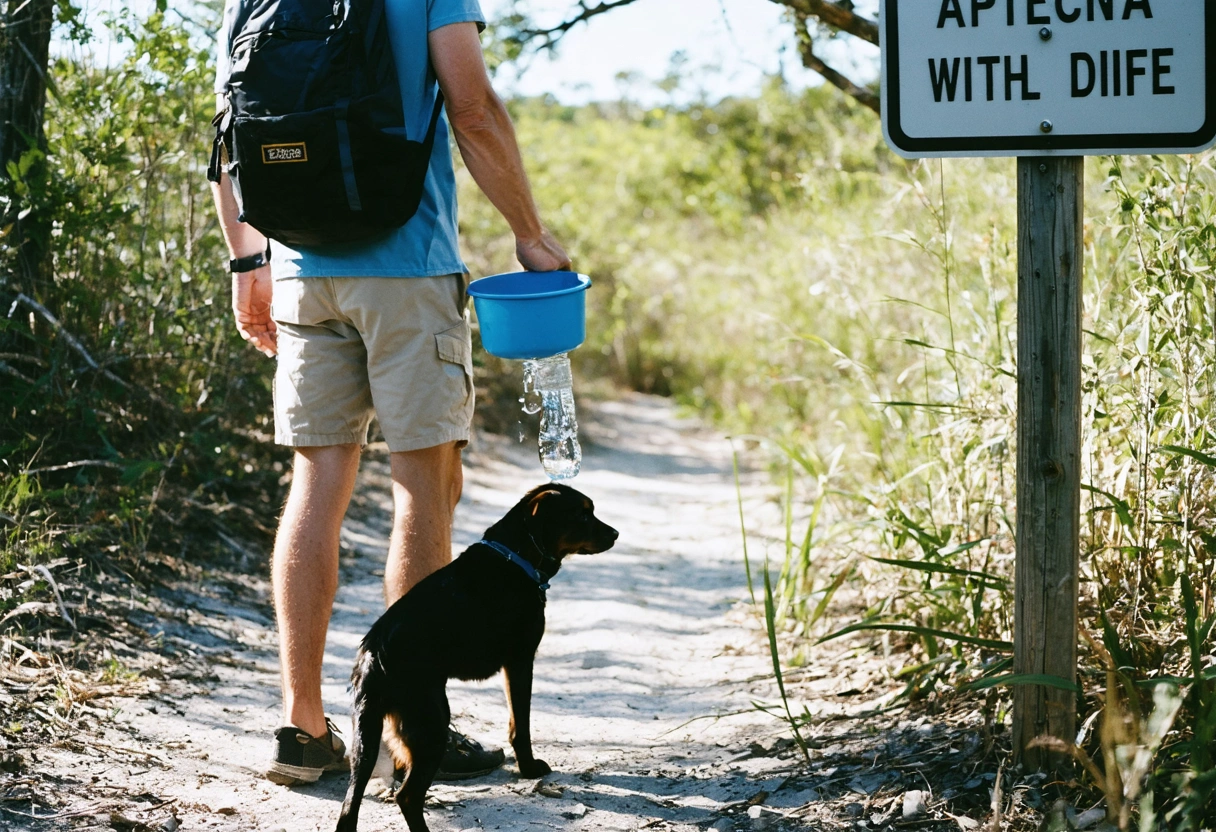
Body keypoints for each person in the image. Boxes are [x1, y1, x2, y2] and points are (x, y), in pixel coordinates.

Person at [209, 0, 571, 786]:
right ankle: (411, 731)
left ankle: (302, 729)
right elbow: (472, 108)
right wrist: (531, 234)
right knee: (425, 486)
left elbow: (228, 135)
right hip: (406, 269)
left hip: (303, 269)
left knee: (316, 485)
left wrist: (248, 267)